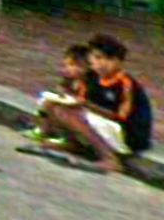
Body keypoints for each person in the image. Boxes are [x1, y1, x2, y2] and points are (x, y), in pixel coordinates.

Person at [43, 34, 153, 173]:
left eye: (104, 59)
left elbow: (121, 117)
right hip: (104, 124)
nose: (99, 64)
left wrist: (86, 105)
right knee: (56, 107)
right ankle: (73, 143)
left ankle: (110, 158)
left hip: (127, 133)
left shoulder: (125, 83)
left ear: (117, 62)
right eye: (96, 58)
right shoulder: (93, 78)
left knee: (71, 114)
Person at [24, 44, 96, 143]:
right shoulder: (70, 80)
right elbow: (61, 90)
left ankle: (68, 137)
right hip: (70, 105)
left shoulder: (89, 83)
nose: (67, 69)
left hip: (82, 112)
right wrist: (61, 93)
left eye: (72, 65)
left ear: (85, 67)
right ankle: (45, 129)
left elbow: (85, 100)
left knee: (62, 111)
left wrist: (72, 99)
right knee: (48, 103)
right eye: (66, 65)